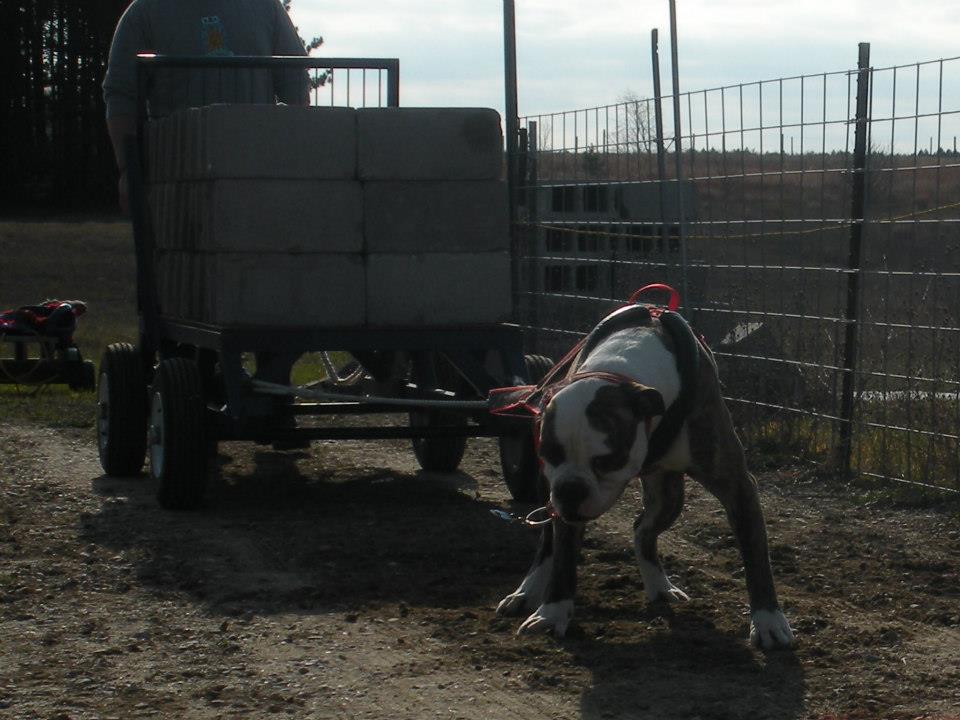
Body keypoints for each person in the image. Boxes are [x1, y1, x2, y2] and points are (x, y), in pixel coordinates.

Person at [103, 0, 309, 215]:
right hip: (178, 177)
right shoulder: (144, 12)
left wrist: (292, 157)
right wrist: (129, 169)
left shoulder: (266, 7)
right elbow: (121, 95)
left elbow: (296, 80)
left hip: (256, 174)